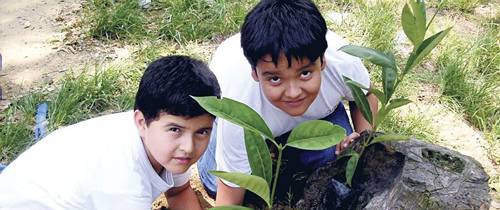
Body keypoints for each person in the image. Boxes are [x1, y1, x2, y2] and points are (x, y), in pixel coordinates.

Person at [197, 0, 378, 206]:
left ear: (323, 62)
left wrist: (364, 140)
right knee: (216, 184)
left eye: (305, 73)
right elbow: (228, 198)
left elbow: (365, 95)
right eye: (275, 78)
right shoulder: (239, 106)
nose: (293, 93)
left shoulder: (342, 61)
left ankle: (288, 148)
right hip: (253, 122)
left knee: (339, 160)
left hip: (318, 114)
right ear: (255, 73)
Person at [0, 56, 221, 210]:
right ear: (141, 122)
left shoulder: (167, 148)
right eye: (175, 130)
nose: (189, 146)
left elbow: (179, 192)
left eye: (202, 132)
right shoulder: (125, 185)